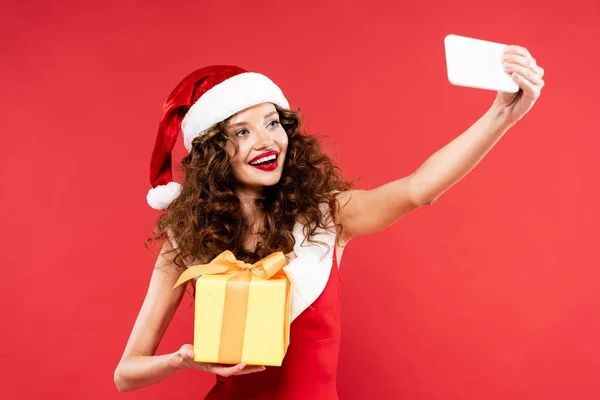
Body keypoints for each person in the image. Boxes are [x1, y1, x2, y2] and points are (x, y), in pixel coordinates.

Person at [114, 48, 545, 398]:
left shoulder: (327, 218)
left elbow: (419, 189)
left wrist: (502, 116)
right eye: (241, 132)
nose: (266, 141)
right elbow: (127, 372)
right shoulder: (185, 244)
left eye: (271, 123)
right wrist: (185, 359)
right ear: (212, 154)